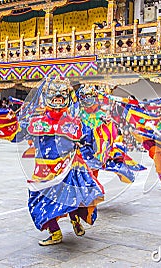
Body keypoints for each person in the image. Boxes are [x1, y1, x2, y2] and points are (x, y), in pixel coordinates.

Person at [25, 77, 104, 246]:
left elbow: (88, 137)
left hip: (68, 166)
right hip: (44, 170)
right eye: (54, 97)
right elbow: (21, 132)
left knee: (71, 195)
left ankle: (75, 220)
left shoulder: (74, 122)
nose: (58, 100)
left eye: (61, 97)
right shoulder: (36, 121)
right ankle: (55, 232)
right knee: (41, 200)